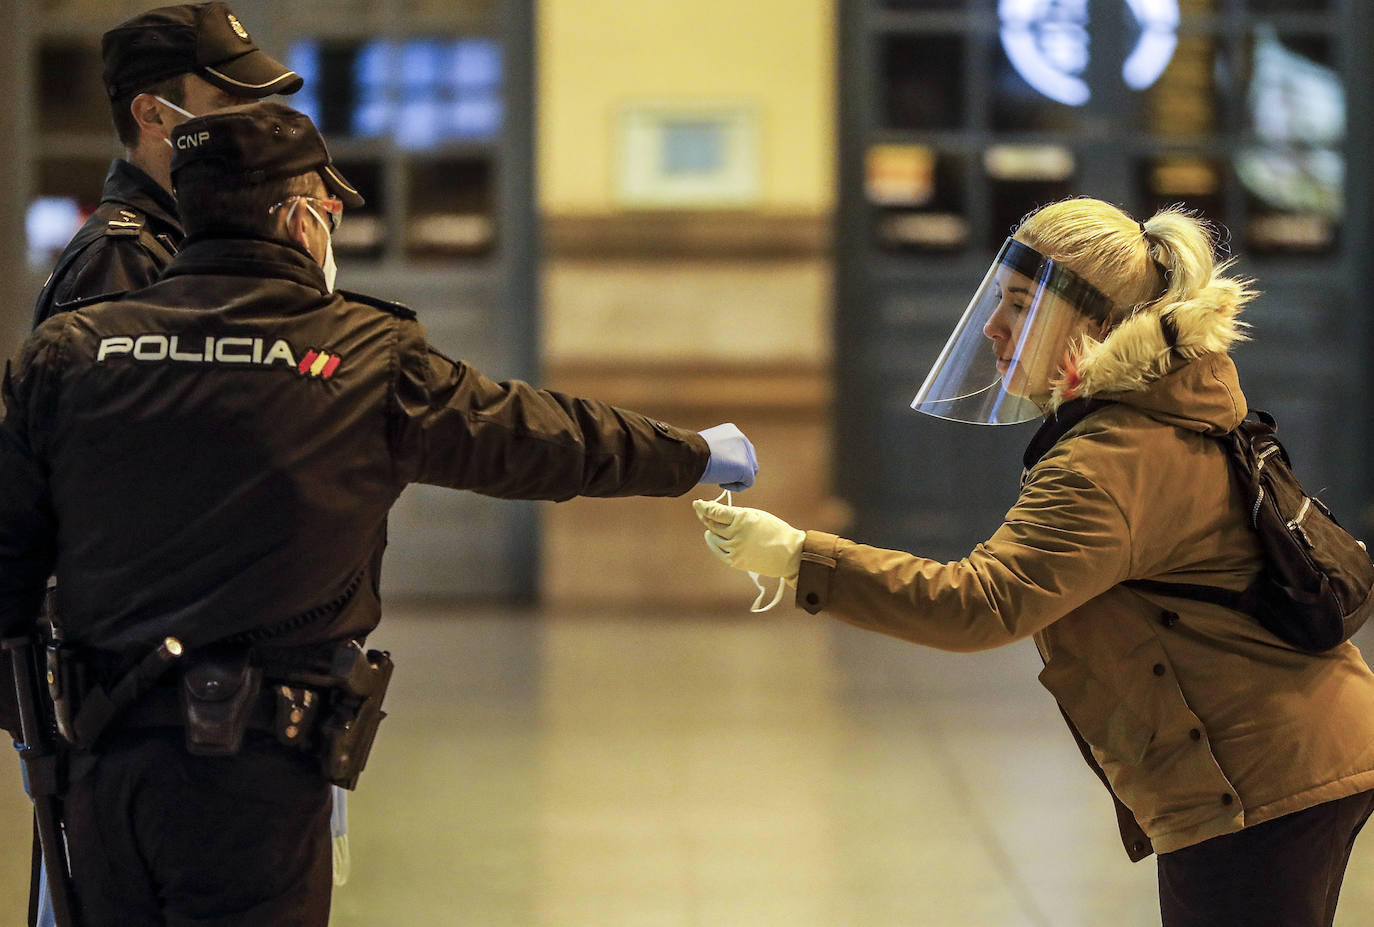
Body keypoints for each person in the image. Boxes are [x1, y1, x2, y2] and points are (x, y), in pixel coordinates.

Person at [0, 101, 759, 925]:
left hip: (100, 768)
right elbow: (537, 438)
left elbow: (7, 560)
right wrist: (690, 452)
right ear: (297, 216)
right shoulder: (363, 355)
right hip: (254, 772)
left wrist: (37, 729)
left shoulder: (69, 353)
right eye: (327, 210)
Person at [694, 198, 1374, 927]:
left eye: (1020, 306)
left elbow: (981, 603)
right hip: (1295, 748)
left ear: (1097, 325)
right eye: (998, 303)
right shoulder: (1159, 408)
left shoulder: (1112, 455)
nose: (992, 328)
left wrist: (800, 557)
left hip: (1263, 772)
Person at [32, 1, 303, 327]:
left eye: (253, 104)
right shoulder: (119, 259)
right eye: (229, 104)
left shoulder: (190, 235)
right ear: (153, 115)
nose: (253, 123)